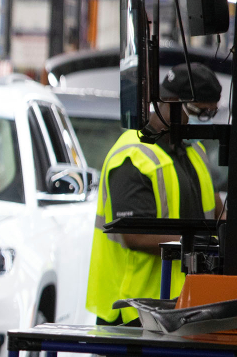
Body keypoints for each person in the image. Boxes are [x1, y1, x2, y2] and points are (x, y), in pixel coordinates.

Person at [87, 63, 225, 325]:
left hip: (185, 306)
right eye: (200, 113)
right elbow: (135, 236)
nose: (204, 122)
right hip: (134, 310)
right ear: (171, 103)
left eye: (211, 114)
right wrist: (204, 244)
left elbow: (219, 213)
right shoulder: (133, 157)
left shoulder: (193, 152)